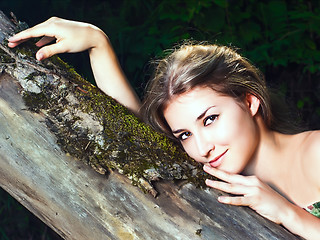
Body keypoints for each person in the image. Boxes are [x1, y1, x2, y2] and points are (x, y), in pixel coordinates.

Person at [8, 17, 320, 239]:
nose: (201, 148)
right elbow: (134, 136)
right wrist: (96, 43)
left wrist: (289, 214)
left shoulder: (314, 153)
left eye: (209, 119)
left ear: (250, 102)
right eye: (184, 134)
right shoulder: (212, 171)